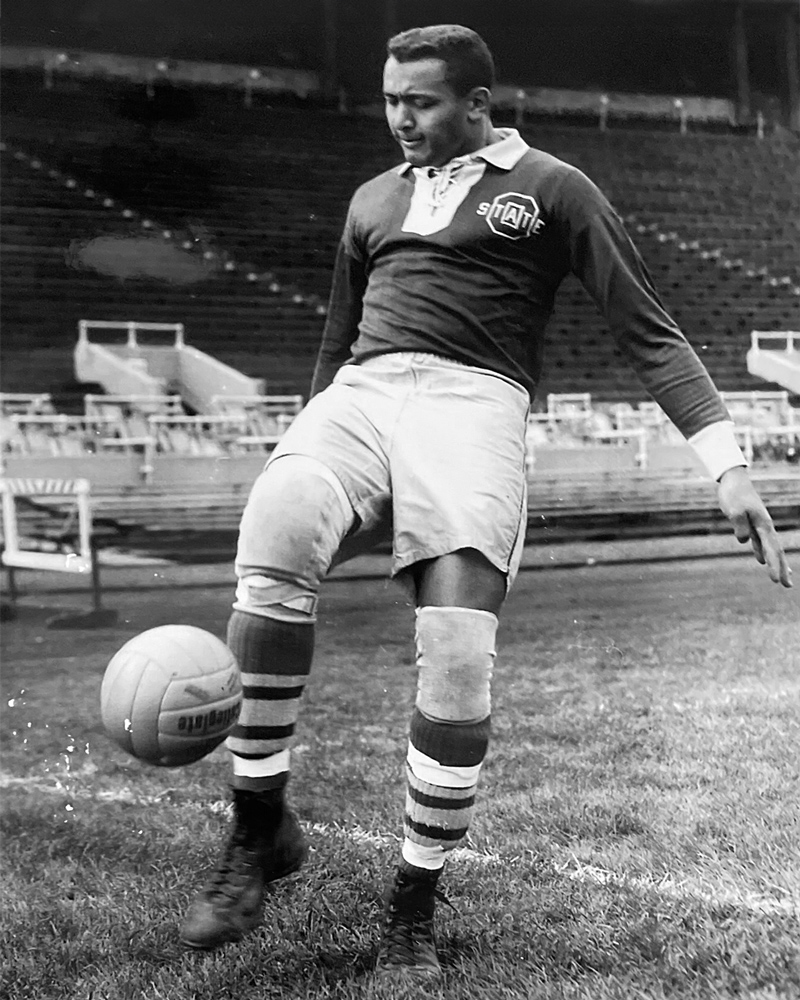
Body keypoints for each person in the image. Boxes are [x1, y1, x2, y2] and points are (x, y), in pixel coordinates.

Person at [180, 23, 792, 980]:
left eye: (418, 102)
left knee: (459, 657)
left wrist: (729, 467)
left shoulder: (552, 188)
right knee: (275, 530)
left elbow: (652, 335)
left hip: (475, 408)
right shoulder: (371, 200)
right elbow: (336, 346)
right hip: (365, 396)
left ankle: (411, 910)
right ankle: (259, 830)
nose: (399, 119)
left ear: (476, 103)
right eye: (390, 99)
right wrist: (308, 447)